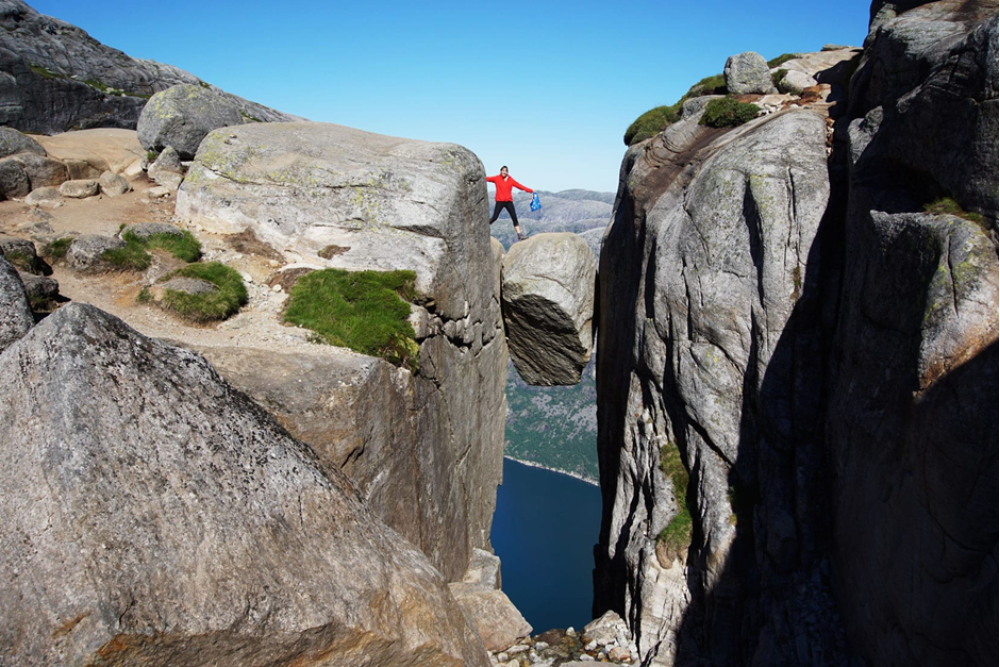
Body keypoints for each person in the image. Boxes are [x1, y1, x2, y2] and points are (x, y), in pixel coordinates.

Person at [486, 166, 533, 241]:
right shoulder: (496, 178)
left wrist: (530, 190)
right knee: (495, 217)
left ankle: (519, 235)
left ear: (507, 172)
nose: (504, 172)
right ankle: (484, 227)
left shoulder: (511, 180)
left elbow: (519, 186)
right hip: (500, 201)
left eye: (506, 171)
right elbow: (486, 179)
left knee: (514, 217)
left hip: (508, 201)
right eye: (503, 170)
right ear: (500, 171)